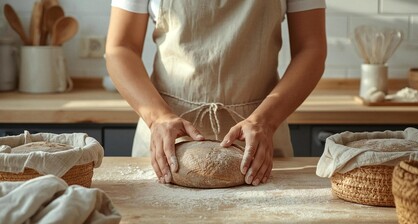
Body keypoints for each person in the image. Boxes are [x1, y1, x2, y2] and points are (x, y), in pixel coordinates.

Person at [106, 0, 327, 186]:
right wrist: (158, 118)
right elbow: (120, 48)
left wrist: (265, 122)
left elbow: (311, 48)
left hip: (259, 135)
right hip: (166, 136)